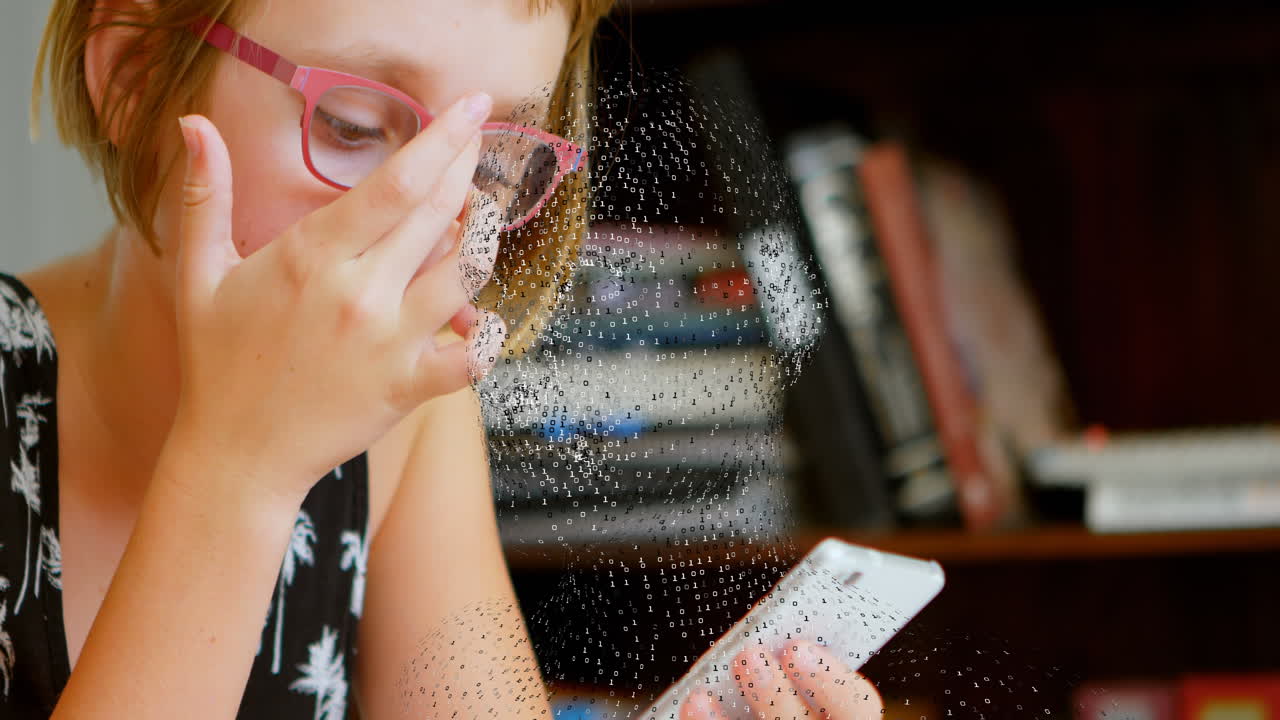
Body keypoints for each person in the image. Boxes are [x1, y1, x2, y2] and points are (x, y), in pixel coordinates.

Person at [0, 0, 886, 717]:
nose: (448, 235)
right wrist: (239, 468)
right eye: (351, 127)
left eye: (495, 161)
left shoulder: (407, 420)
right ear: (132, 73)